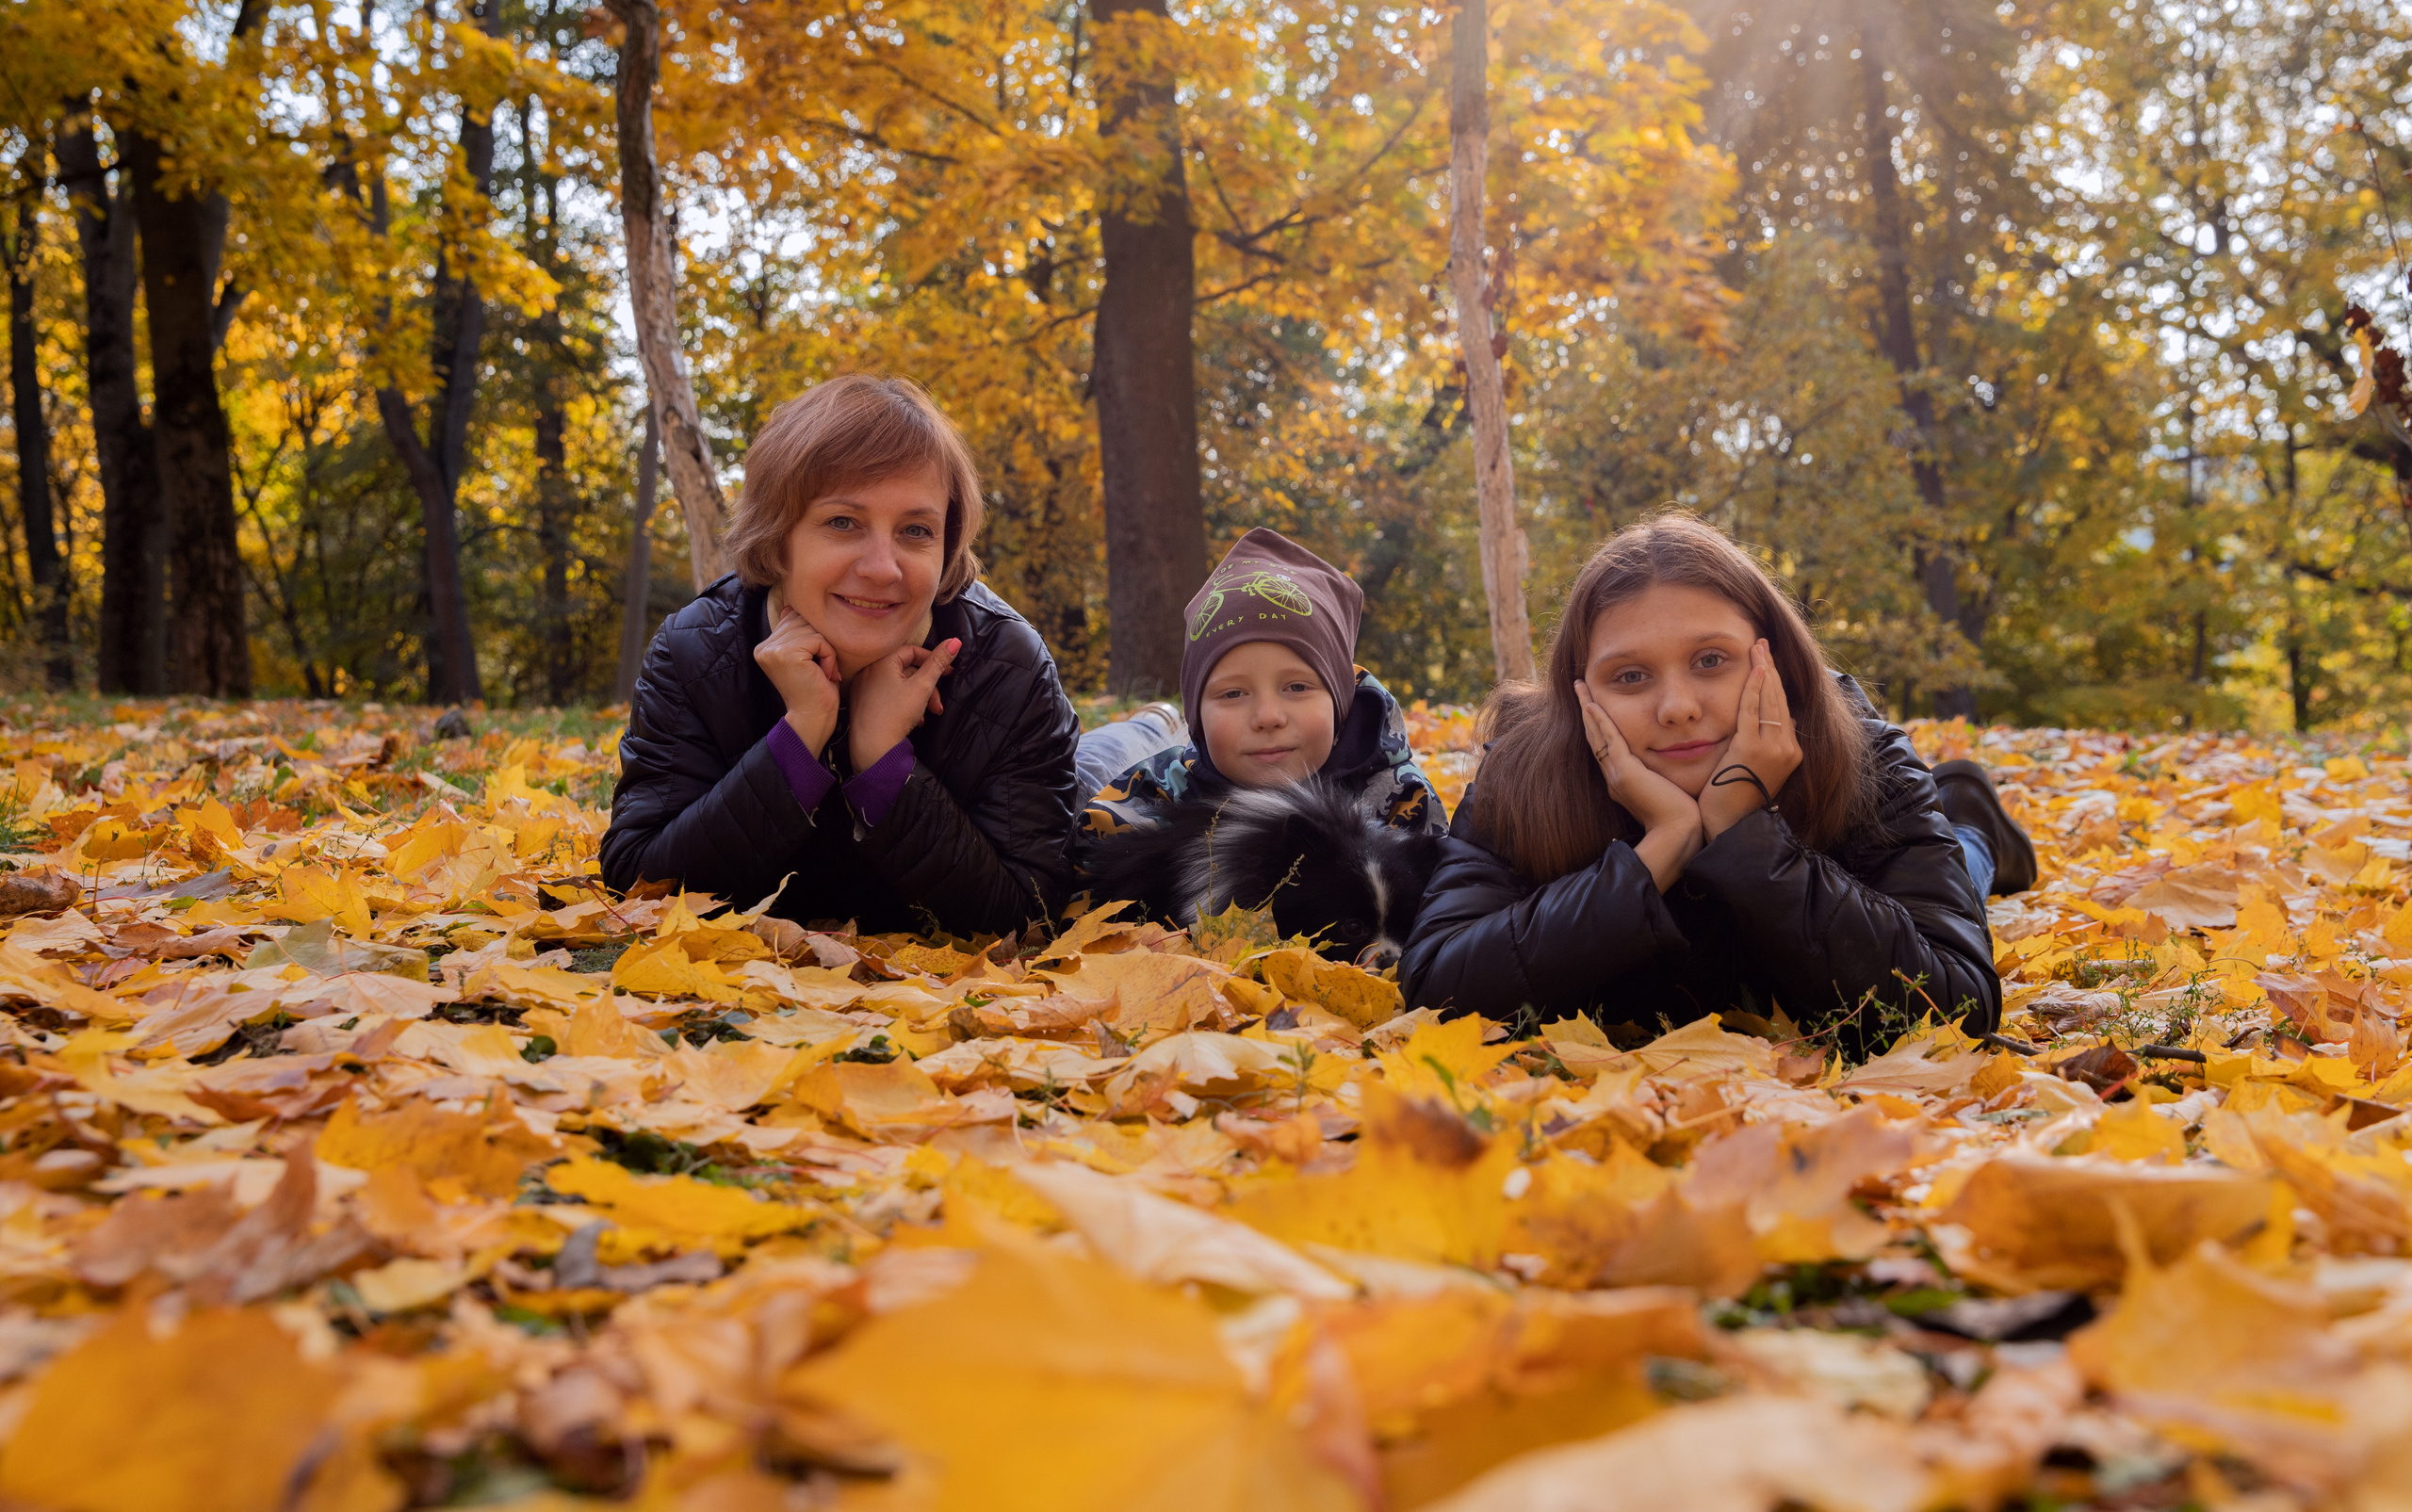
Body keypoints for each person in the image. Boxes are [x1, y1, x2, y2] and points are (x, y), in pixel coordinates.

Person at [1399, 512, 2010, 1035]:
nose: (1678, 707)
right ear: (1581, 694)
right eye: (1630, 677)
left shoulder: (1870, 763)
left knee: (1964, 863)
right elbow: (1436, 988)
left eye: (1711, 661)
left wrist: (1746, 834)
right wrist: (1659, 849)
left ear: (1775, 661)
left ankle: (1976, 831)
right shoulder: (1523, 776)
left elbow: (1960, 1010)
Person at [602, 376, 1080, 935]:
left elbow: (1028, 913)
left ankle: (1152, 721)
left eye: (916, 530)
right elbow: (638, 885)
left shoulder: (1009, 665)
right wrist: (798, 738)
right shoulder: (694, 652)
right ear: (777, 538)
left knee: (1114, 768)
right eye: (843, 522)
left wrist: (883, 761)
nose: (883, 567)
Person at [1073, 528, 1449, 853]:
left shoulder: (1401, 799)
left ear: (1341, 703)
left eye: (1297, 687)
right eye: (1233, 694)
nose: (1268, 717)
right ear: (1196, 716)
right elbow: (1088, 901)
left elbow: (1438, 911)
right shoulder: (1152, 800)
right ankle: (1154, 719)